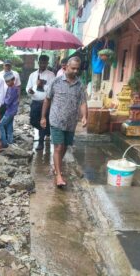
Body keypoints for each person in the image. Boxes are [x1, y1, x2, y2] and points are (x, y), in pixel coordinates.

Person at [41, 56, 88, 187]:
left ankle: (57, 167)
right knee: (58, 147)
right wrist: (43, 117)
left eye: (77, 69)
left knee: (65, 147)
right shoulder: (56, 82)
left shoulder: (80, 85)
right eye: (73, 68)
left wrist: (84, 116)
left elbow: (83, 102)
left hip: (71, 122)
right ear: (66, 66)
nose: (75, 71)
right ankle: (59, 175)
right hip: (56, 120)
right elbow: (47, 99)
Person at [26, 55, 55, 150]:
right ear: (38, 63)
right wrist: (30, 90)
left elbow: (52, 89)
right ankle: (46, 130)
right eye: (41, 62)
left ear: (47, 63)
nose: (43, 64)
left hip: (45, 102)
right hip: (35, 101)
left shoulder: (51, 75)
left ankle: (41, 142)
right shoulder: (32, 75)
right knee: (33, 121)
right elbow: (28, 88)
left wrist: (43, 85)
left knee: (43, 121)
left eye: (45, 62)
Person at [0, 71, 19, 151]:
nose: (8, 83)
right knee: (9, 126)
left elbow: (8, 101)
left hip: (10, 111)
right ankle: (10, 141)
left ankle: (4, 143)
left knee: (1, 125)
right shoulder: (12, 88)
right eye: (6, 81)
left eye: (9, 81)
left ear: (13, 80)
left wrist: (3, 100)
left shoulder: (13, 89)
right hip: (12, 110)